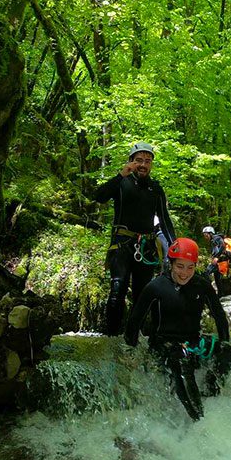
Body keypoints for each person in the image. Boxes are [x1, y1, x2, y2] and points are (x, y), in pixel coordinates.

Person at [124, 237, 231, 421]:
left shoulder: (201, 285)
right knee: (181, 361)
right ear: (171, 264)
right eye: (180, 266)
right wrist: (131, 350)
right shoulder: (156, 287)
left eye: (190, 267)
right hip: (163, 344)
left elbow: (219, 314)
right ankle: (199, 420)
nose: (185, 273)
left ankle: (209, 392)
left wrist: (223, 340)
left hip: (191, 341)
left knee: (226, 352)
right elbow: (135, 320)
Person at [95, 143, 176, 335]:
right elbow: (99, 197)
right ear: (131, 162)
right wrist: (120, 175)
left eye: (147, 161)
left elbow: (164, 219)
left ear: (151, 165)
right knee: (117, 289)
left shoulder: (156, 189)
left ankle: (133, 338)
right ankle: (111, 337)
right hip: (122, 245)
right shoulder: (121, 183)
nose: (143, 165)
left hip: (146, 248)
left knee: (142, 296)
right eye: (139, 160)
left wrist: (175, 246)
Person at [202, 225, 231, 294]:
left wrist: (216, 257)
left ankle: (206, 292)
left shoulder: (216, 238)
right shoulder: (215, 239)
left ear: (210, 233)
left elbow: (222, 247)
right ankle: (220, 294)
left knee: (206, 273)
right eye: (204, 235)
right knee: (217, 278)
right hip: (222, 260)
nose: (205, 237)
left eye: (206, 235)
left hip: (221, 260)